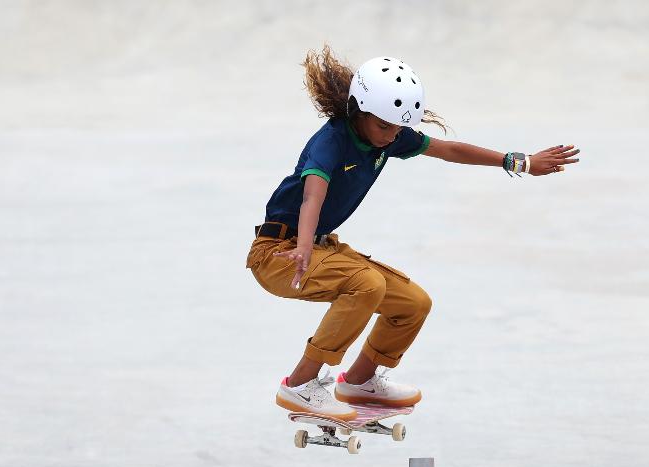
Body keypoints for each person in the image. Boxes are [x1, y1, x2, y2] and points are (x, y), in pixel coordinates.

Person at [245, 45, 580, 421]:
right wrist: (304, 244)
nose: (391, 137)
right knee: (367, 284)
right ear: (358, 110)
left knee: (412, 302)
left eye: (398, 128)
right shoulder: (332, 140)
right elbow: (312, 194)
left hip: (320, 248)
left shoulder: (388, 135)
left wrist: (520, 161)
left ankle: (358, 381)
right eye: (384, 126)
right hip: (279, 253)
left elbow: (450, 149)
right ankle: (300, 387)